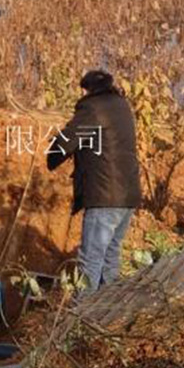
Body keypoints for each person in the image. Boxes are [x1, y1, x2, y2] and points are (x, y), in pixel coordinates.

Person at [47, 70, 142, 295]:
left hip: (105, 197)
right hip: (127, 195)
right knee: (111, 256)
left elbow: (68, 140)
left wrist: (51, 156)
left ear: (86, 89)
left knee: (90, 260)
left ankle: (80, 319)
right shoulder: (122, 106)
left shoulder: (93, 108)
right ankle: (107, 312)